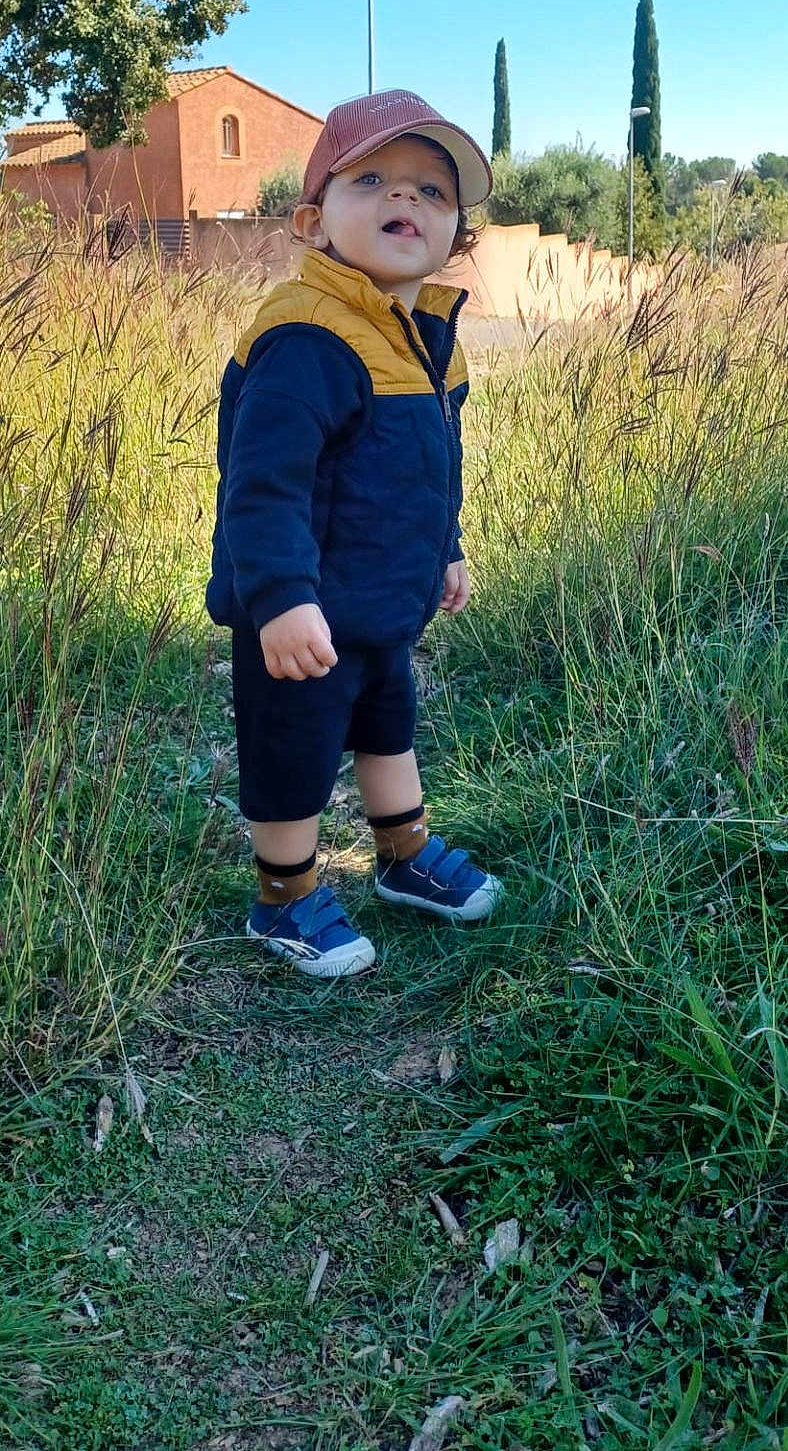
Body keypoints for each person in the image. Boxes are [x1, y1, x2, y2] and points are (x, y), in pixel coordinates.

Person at [206, 88, 502, 976]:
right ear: (312, 218)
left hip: (379, 607)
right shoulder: (307, 337)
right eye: (371, 178)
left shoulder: (424, 339)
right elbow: (263, 486)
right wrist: (284, 598)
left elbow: (429, 464)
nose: (403, 199)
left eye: (431, 190)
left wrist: (445, 546)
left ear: (456, 232)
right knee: (292, 748)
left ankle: (403, 855)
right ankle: (285, 895)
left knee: (388, 725)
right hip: (302, 618)